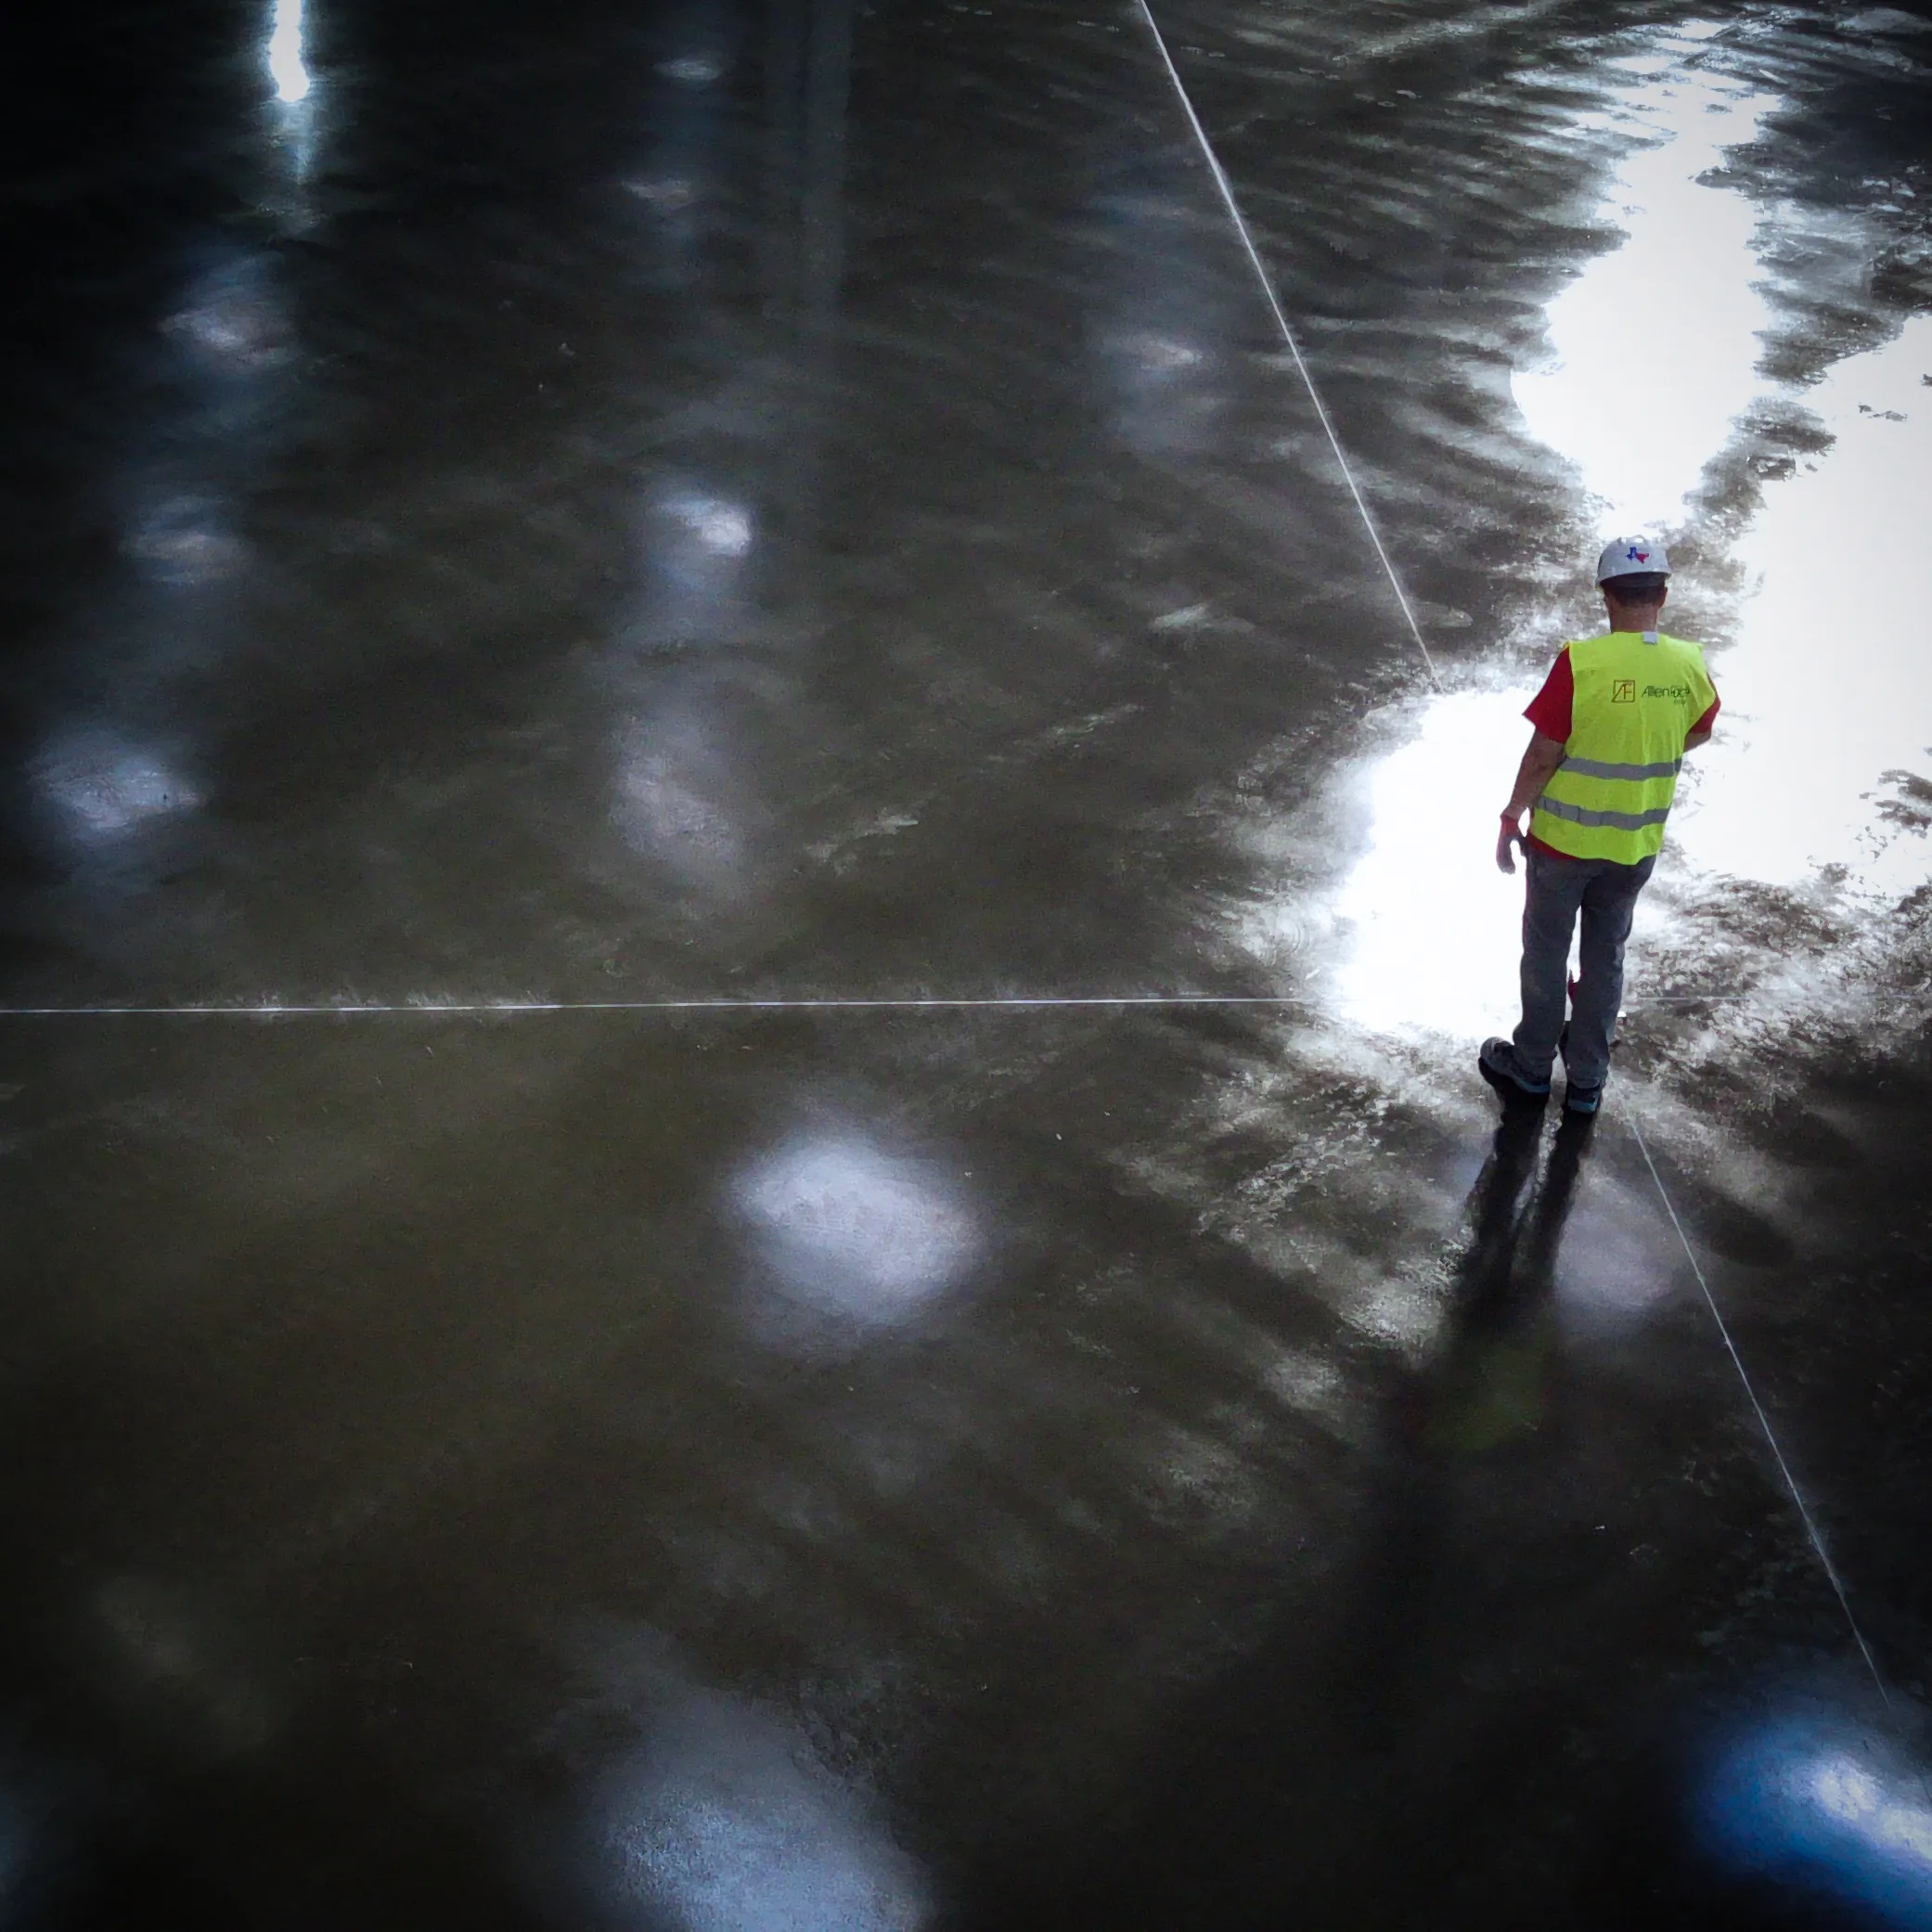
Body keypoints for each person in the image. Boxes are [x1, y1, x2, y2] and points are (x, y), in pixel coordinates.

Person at [1479, 538, 1719, 1116]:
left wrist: (1512, 814)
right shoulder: (1688, 662)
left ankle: (1532, 1068)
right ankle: (1587, 1082)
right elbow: (1701, 728)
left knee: (1545, 955)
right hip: (1634, 847)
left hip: (1562, 845)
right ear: (1661, 595)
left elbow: (1543, 754)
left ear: (1606, 596)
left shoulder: (1582, 663)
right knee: (1604, 957)